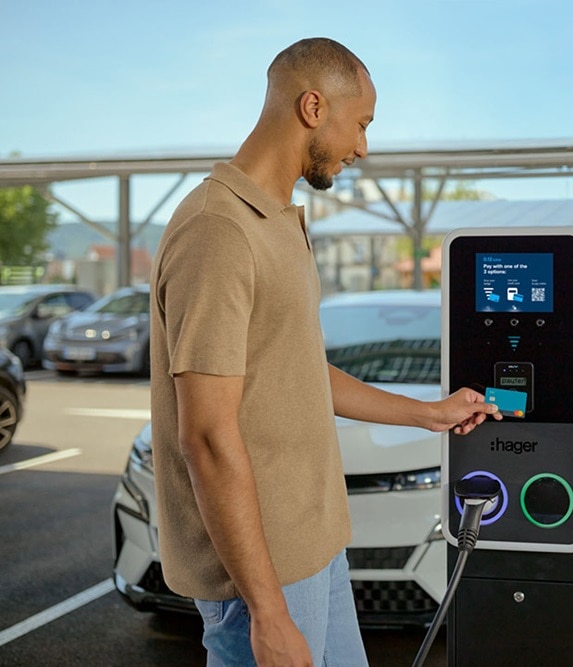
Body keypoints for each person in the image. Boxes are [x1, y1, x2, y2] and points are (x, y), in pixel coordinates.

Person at [149, 37, 499, 667]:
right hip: (262, 576)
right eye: (361, 124)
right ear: (313, 107)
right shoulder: (217, 230)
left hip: (315, 548)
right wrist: (267, 612)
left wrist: (430, 413)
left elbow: (300, 373)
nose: (363, 147)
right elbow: (205, 435)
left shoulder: (277, 220)